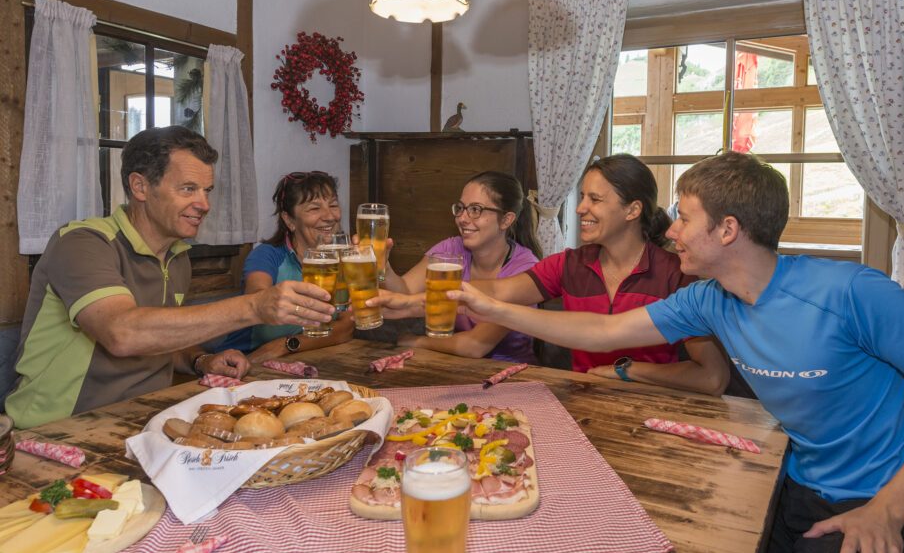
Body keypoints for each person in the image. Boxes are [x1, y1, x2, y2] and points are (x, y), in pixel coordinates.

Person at [441, 151, 904, 553]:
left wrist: (887, 510)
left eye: (684, 218)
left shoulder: (852, 291)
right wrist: (492, 306)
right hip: (799, 500)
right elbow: (606, 330)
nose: (670, 231)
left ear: (727, 230)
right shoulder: (709, 300)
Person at [4, 126, 336, 428]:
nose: (203, 204)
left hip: (141, 420)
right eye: (188, 188)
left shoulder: (177, 258)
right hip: (56, 430)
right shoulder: (82, 242)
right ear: (140, 186)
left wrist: (202, 359)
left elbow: (157, 339)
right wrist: (254, 307)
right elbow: (122, 333)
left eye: (207, 190)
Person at [377, 154, 731, 396]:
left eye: (594, 199)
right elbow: (494, 293)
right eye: (581, 197)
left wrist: (627, 370)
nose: (580, 209)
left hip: (650, 406)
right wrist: (409, 303)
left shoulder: (675, 276)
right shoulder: (568, 265)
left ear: (632, 210)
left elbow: (712, 378)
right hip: (580, 401)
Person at [380, 171, 541, 362]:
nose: (462, 218)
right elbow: (405, 292)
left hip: (510, 376)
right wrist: (383, 266)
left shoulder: (524, 268)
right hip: (453, 366)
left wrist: (415, 341)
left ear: (506, 220)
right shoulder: (450, 248)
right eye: (461, 208)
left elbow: (474, 346)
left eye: (475, 209)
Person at [218, 171, 354, 363]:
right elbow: (259, 300)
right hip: (245, 361)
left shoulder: (344, 259)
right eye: (314, 208)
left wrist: (286, 345)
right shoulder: (267, 255)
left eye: (333, 205)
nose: (330, 216)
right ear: (289, 220)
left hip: (299, 358)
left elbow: (345, 328)